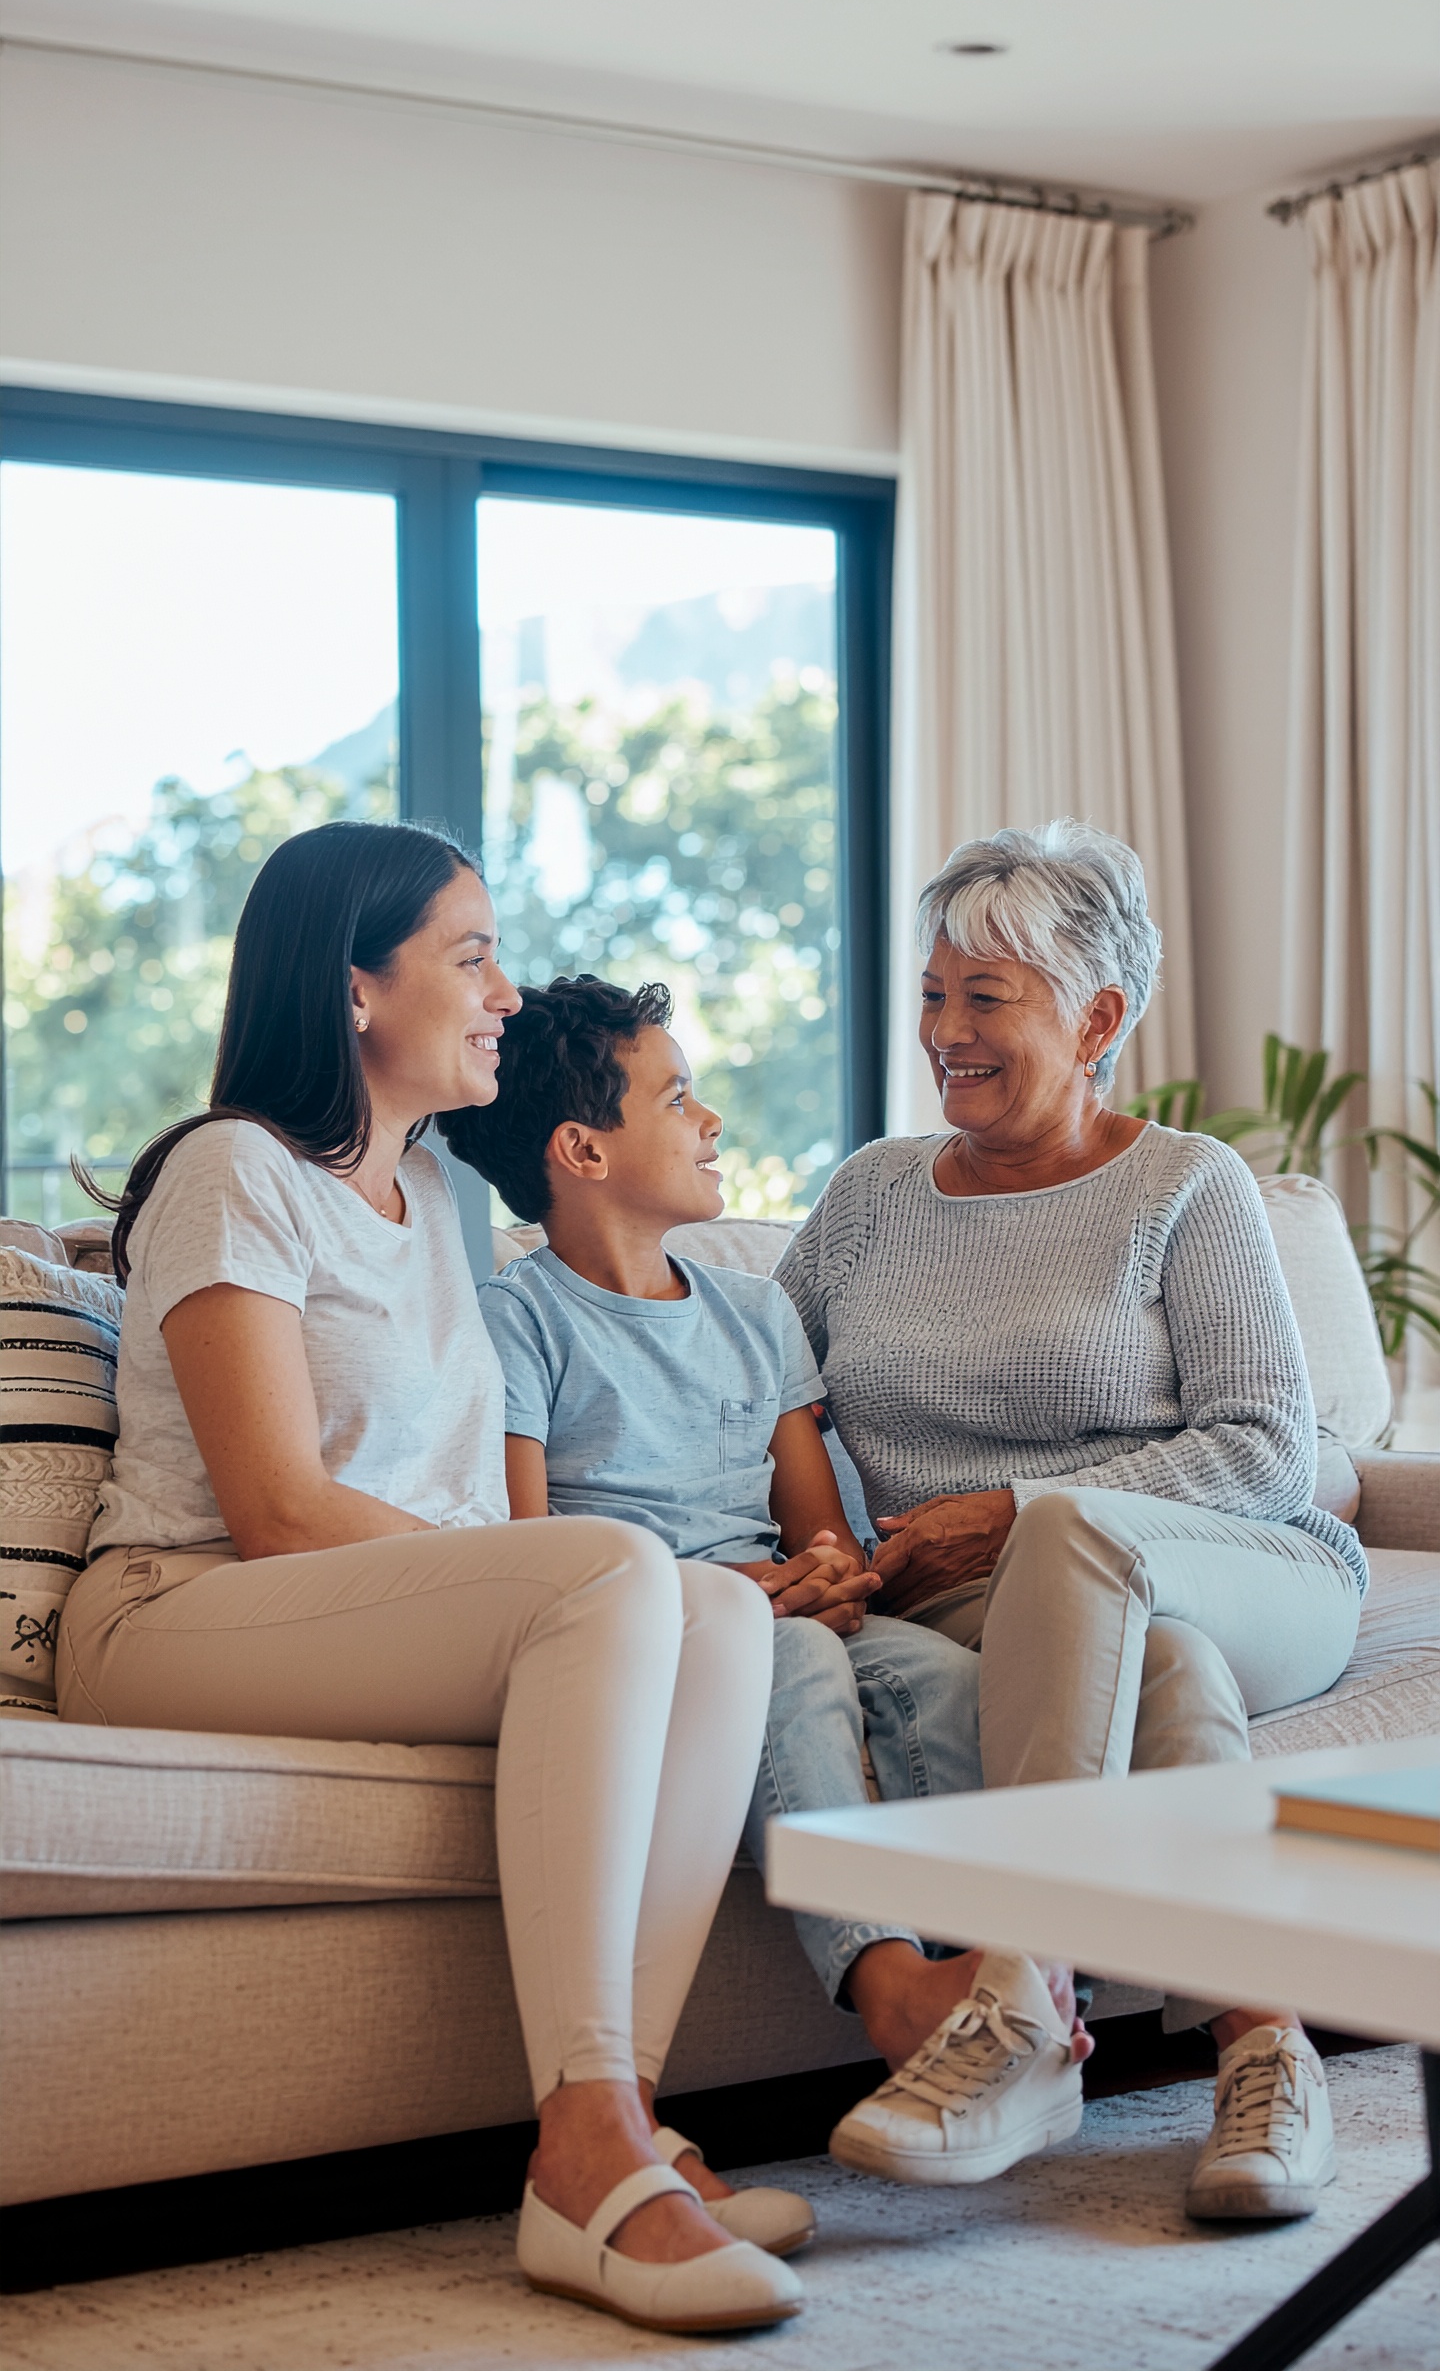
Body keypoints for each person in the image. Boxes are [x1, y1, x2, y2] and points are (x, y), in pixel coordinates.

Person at [56, 821, 804, 2336]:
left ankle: (618, 2129)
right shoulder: (234, 1172)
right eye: (472, 955)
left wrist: (575, 1588)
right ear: (352, 990)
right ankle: (591, 2147)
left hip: (349, 1613)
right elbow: (273, 1506)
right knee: (617, 1578)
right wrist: (556, 1584)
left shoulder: (444, 1206)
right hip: (178, 1609)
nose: (509, 993)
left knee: (716, 1607)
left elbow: (465, 1502)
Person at [776, 820, 1365, 2223]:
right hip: (1002, 1607)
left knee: (1083, 1544)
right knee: (1165, 1675)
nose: (946, 1032)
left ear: (1099, 1016)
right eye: (933, 993)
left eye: (989, 998)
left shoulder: (1187, 1186)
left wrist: (1025, 1509)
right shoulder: (868, 1197)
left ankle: (1020, 1996)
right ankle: (1268, 2051)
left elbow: (1273, 1452)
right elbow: (759, 1390)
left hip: (1253, 1566)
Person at [441, 975, 1071, 2193]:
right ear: (583, 1148)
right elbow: (528, 1549)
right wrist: (757, 1592)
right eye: (677, 1096)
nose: (711, 1118)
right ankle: (887, 1984)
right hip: (657, 1630)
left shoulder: (756, 1311)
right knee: (785, 1661)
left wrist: (828, 1574)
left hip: (790, 1606)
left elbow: (820, 1531)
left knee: (944, 1673)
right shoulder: (518, 1320)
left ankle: (1005, 1974)